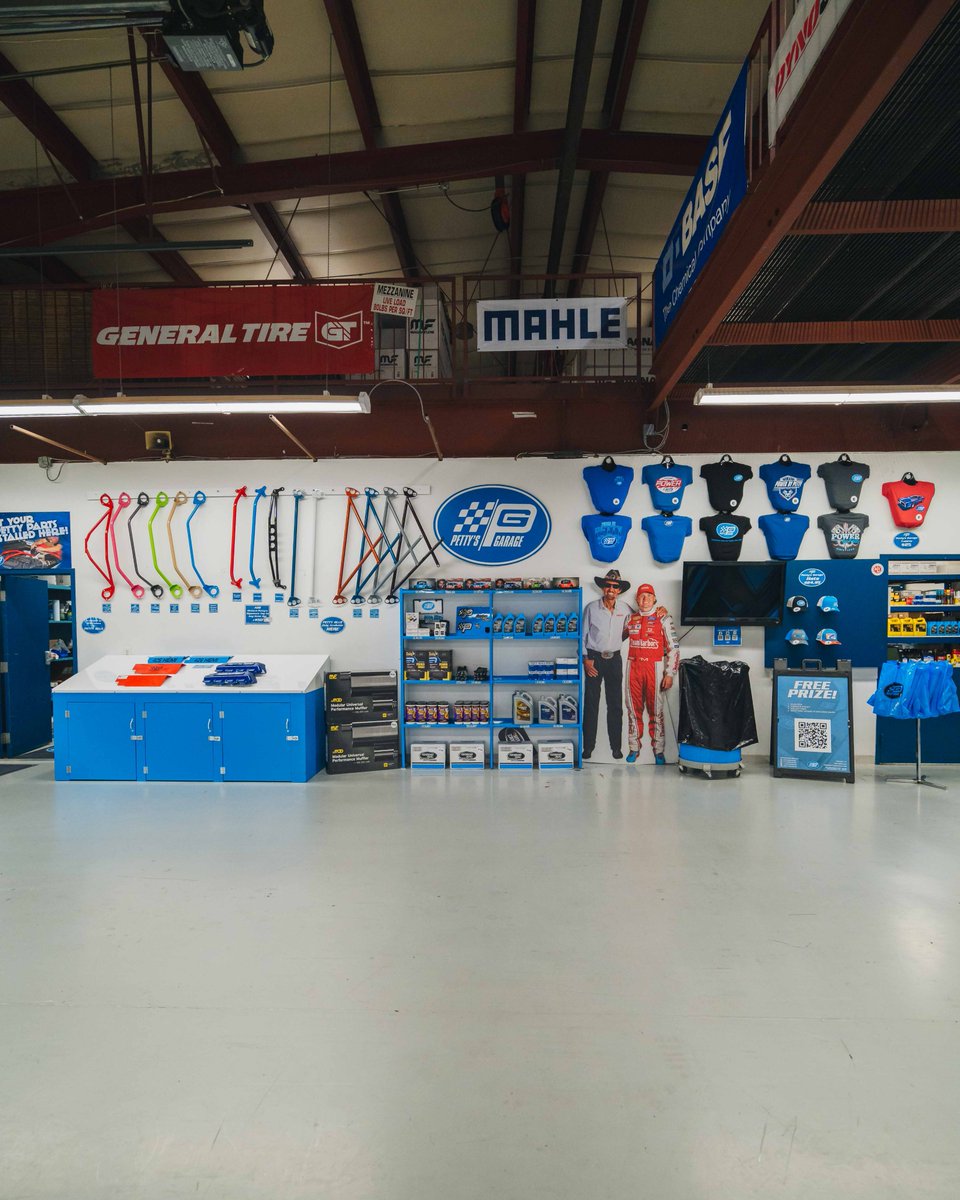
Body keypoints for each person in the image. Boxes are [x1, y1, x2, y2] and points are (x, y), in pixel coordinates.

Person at [624, 582, 679, 765]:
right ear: (636, 599)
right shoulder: (629, 619)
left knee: (656, 712)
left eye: (649, 595)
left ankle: (659, 751)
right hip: (633, 668)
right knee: (633, 710)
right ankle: (634, 748)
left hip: (654, 669)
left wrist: (670, 673)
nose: (645, 599)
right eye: (641, 596)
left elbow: (673, 649)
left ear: (655, 598)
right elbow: (615, 638)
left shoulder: (664, 618)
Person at [582, 569, 632, 760]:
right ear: (603, 588)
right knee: (592, 703)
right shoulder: (592, 608)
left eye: (615, 586)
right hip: (594, 658)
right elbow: (583, 635)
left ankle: (616, 748)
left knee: (615, 704)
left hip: (614, 660)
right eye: (608, 585)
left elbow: (634, 626)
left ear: (619, 590)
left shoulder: (625, 609)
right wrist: (586, 659)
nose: (611, 589)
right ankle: (588, 747)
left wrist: (660, 609)